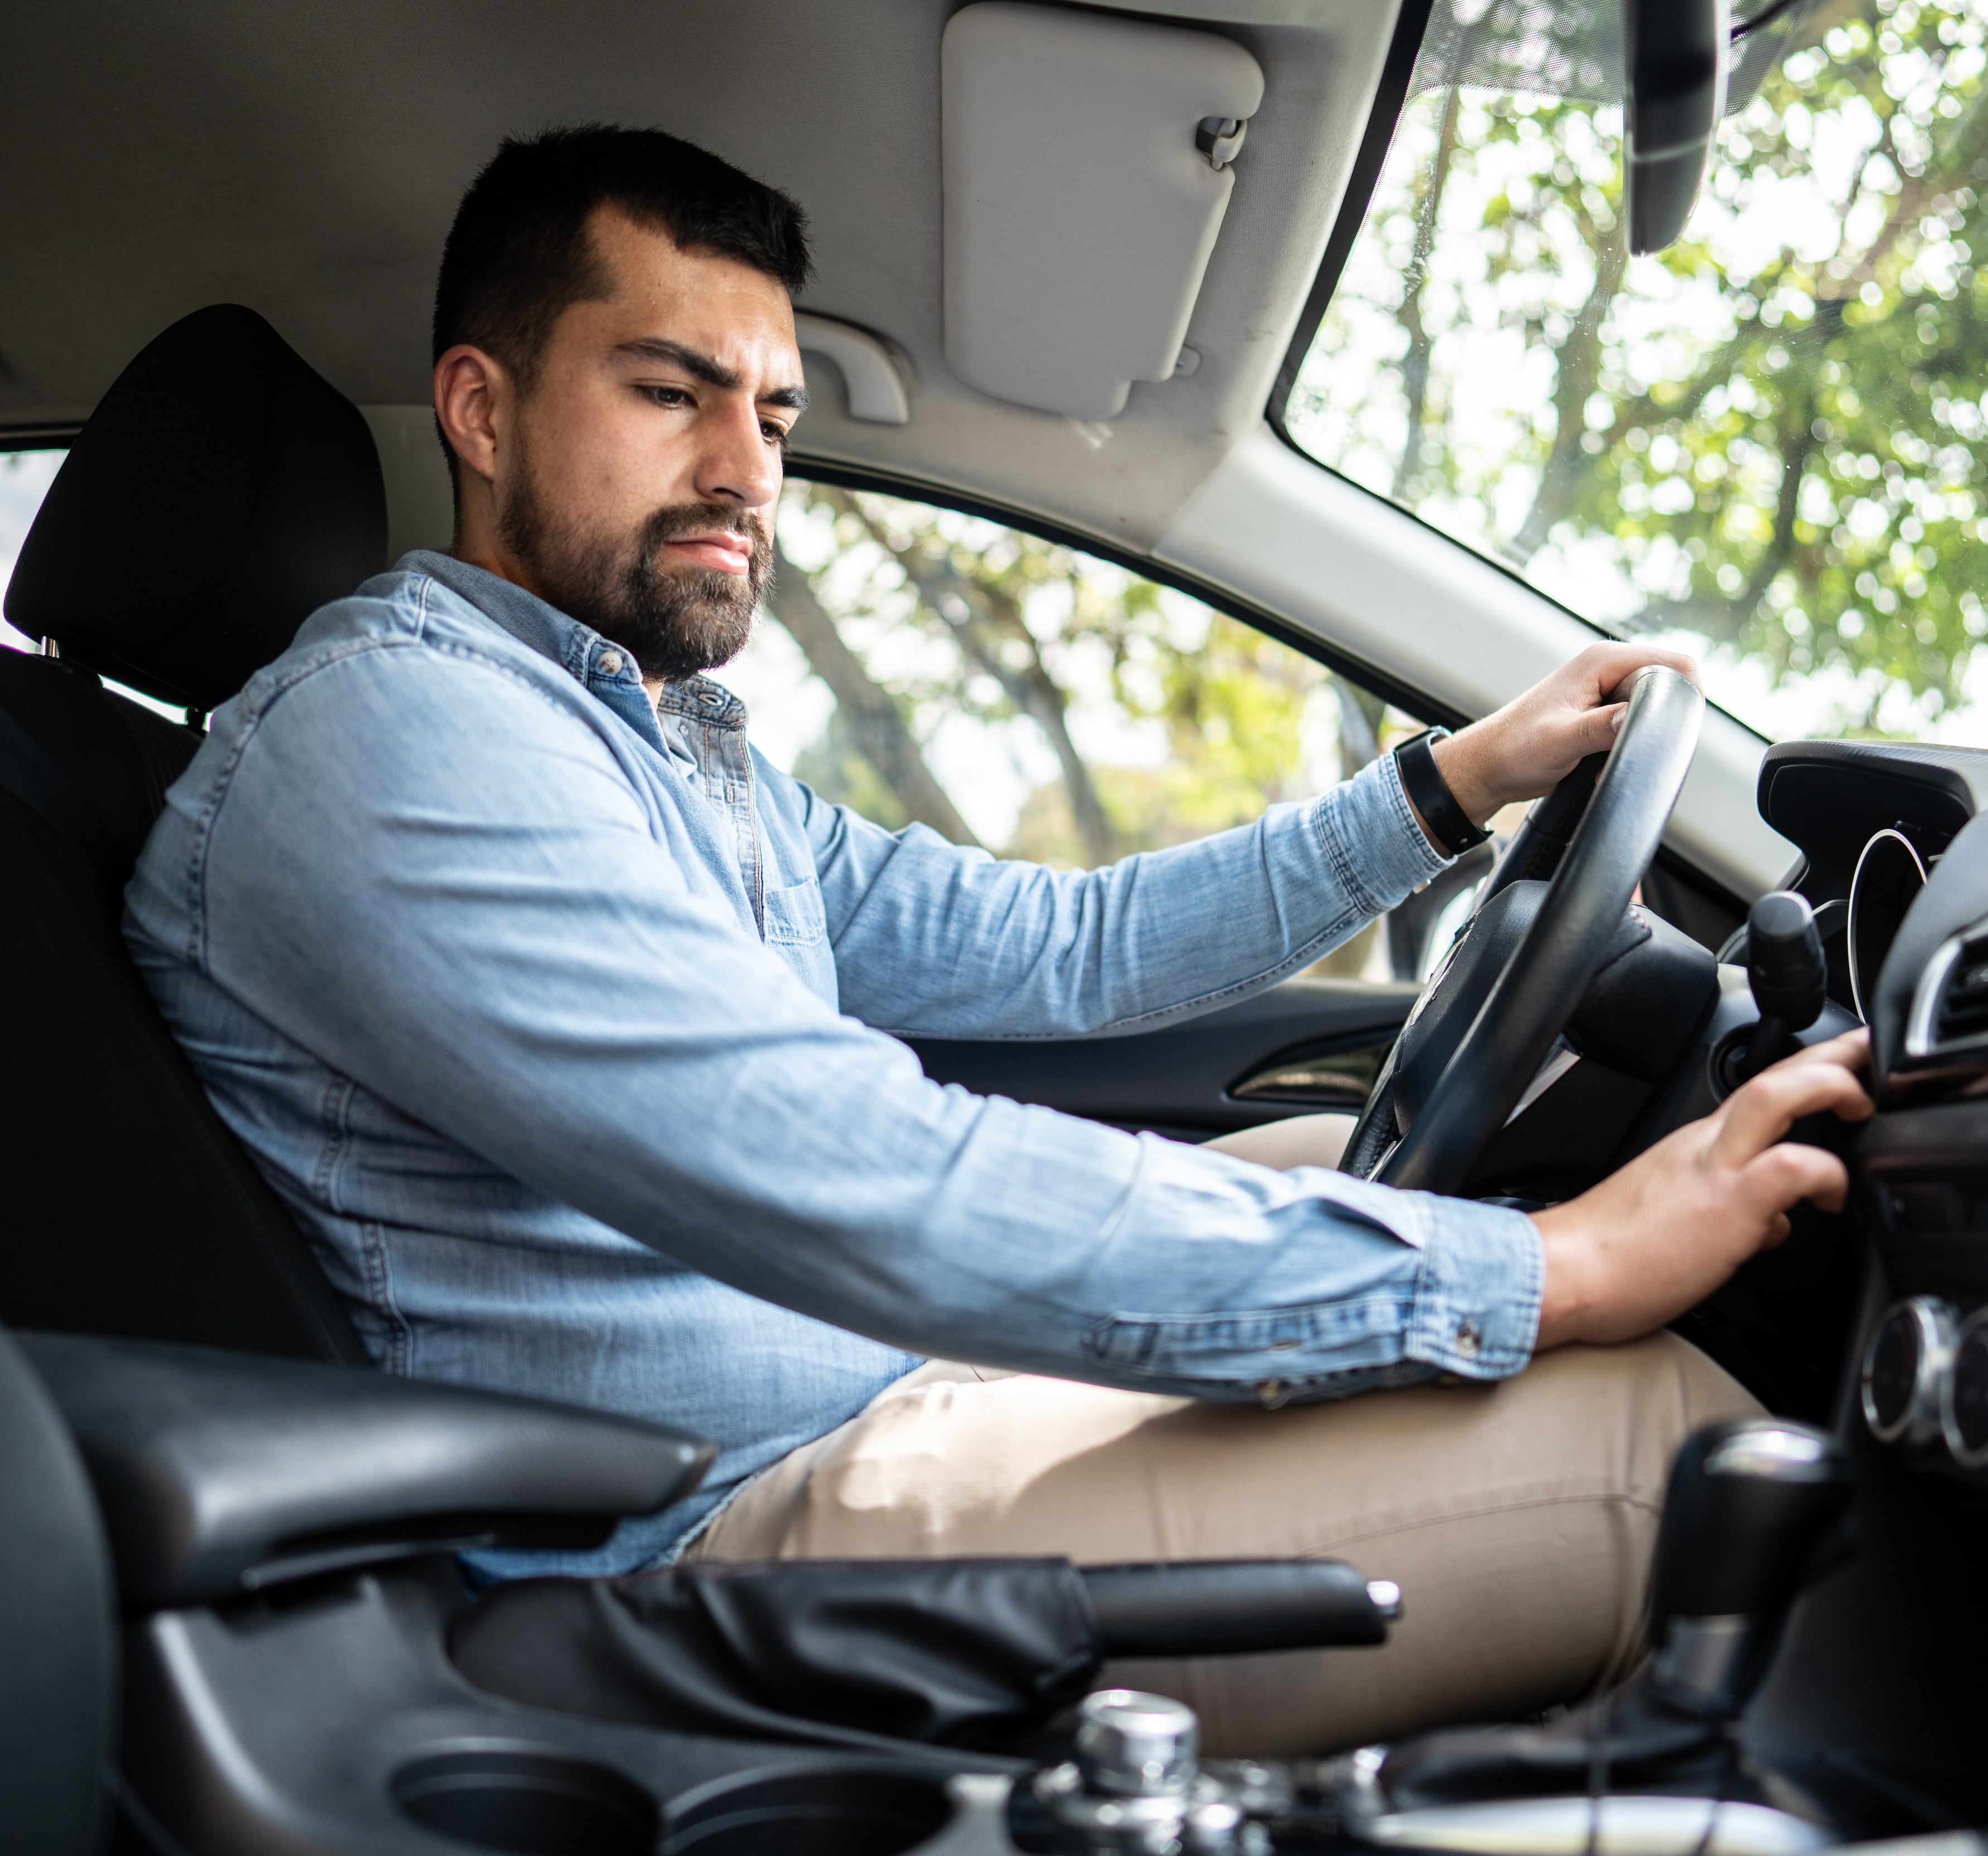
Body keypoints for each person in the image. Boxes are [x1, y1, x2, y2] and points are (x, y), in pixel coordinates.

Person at [123, 125, 1872, 1754]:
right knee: (1679, 1450)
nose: (744, 470)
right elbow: (857, 1173)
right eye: (670, 392)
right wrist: (1549, 1276)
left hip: (851, 1399)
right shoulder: (391, 741)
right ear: (480, 411)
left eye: (776, 417)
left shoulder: (642, 742)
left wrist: (1447, 787)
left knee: (1353, 1162)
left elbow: (1063, 948)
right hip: (698, 1540)